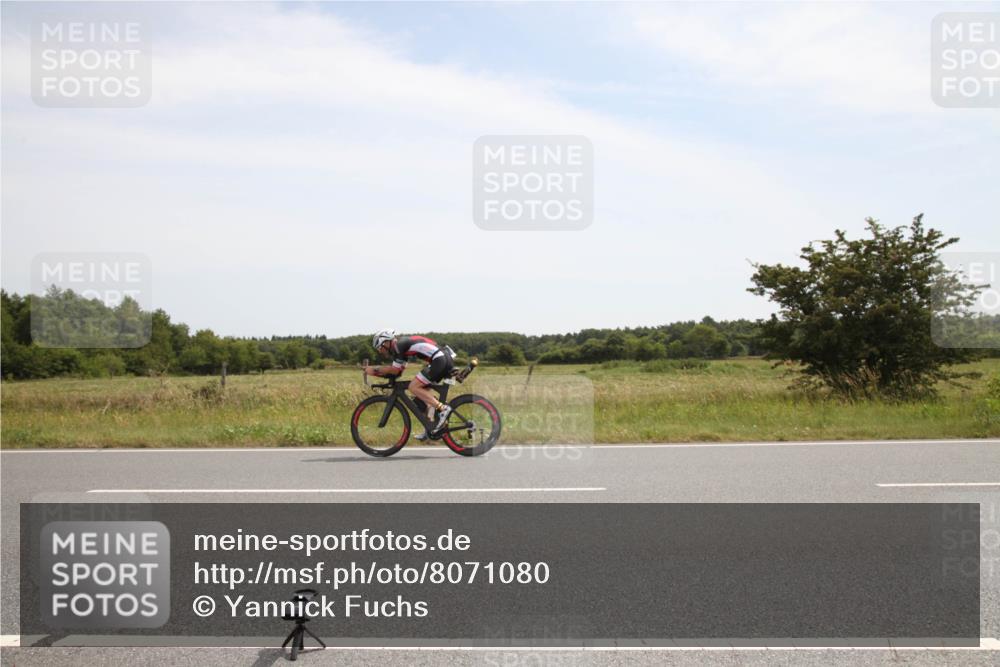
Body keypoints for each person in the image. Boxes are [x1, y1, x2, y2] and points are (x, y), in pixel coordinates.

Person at [365, 329, 453, 437]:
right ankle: (430, 428)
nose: (379, 351)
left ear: (386, 342)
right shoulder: (401, 348)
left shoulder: (399, 346)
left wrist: (374, 370)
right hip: (442, 359)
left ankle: (443, 409)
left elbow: (394, 370)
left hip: (439, 359)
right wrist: (382, 374)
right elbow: (398, 371)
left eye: (379, 347)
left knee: (413, 387)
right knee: (420, 400)